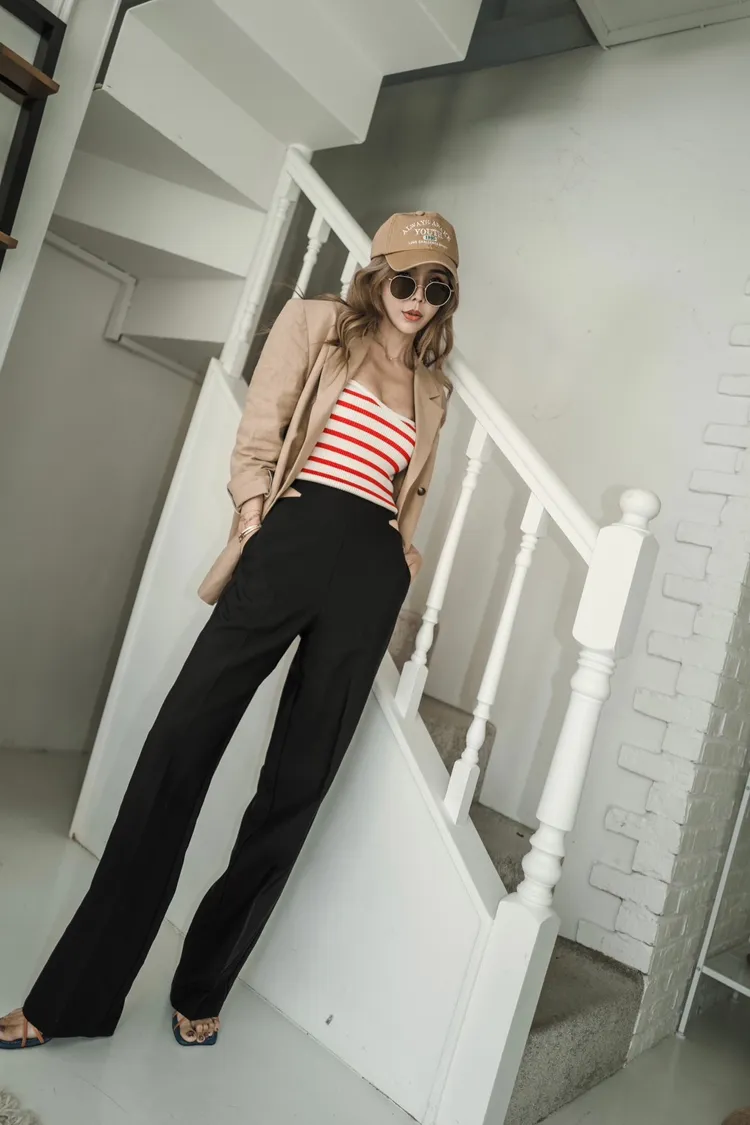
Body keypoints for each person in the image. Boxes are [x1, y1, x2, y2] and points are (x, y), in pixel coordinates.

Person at [0, 211, 459, 1049]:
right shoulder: (316, 324)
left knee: (297, 785)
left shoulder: (435, 387)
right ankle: (73, 998)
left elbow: (410, 486)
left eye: (437, 288)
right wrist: (254, 513)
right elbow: (262, 429)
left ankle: (203, 981)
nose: (417, 300)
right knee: (178, 748)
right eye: (405, 279)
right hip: (290, 537)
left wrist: (402, 549)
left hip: (368, 574)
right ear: (376, 272)